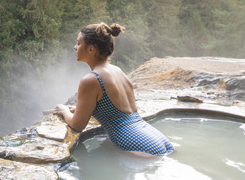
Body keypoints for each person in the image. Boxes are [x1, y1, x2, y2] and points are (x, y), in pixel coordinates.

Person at [53, 22, 174, 156]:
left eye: (78, 43)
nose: (75, 47)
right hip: (156, 139)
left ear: (91, 49)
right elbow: (117, 111)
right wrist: (82, 110)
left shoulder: (91, 79)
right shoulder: (117, 71)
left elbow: (77, 125)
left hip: (138, 146)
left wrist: (64, 111)